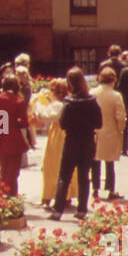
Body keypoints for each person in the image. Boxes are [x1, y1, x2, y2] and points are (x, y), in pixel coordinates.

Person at [50, 67, 102, 220]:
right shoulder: (92, 101)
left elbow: (63, 124)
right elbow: (99, 123)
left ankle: (57, 210)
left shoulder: (68, 102)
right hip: (87, 141)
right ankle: (81, 209)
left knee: (64, 176)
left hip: (71, 141)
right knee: (84, 176)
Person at [35, 78, 78, 208]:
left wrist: (37, 103)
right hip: (68, 134)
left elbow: (45, 115)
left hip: (58, 136)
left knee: (52, 166)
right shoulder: (70, 101)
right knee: (66, 166)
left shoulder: (58, 105)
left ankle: (49, 196)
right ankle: (66, 196)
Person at [91, 66, 126, 201]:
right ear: (113, 80)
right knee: (109, 162)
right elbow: (120, 116)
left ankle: (95, 189)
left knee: (95, 161)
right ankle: (110, 189)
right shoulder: (116, 95)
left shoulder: (92, 93)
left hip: (95, 131)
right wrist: (121, 129)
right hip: (111, 131)